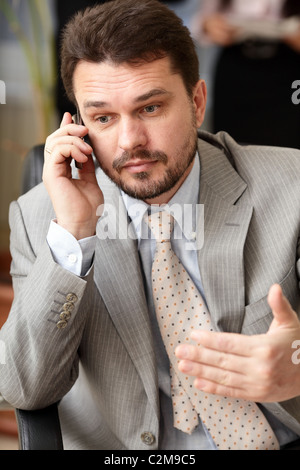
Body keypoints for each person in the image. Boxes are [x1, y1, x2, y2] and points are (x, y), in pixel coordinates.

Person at [0, 0, 300, 450]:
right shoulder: (42, 218)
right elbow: (24, 388)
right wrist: (76, 234)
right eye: (103, 118)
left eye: (151, 109)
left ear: (197, 102)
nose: (129, 142)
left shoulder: (292, 187)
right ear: (80, 125)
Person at [192, 0, 300, 148]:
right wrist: (210, 25)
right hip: (236, 66)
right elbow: (203, 20)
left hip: (289, 68)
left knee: (288, 146)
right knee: (230, 147)